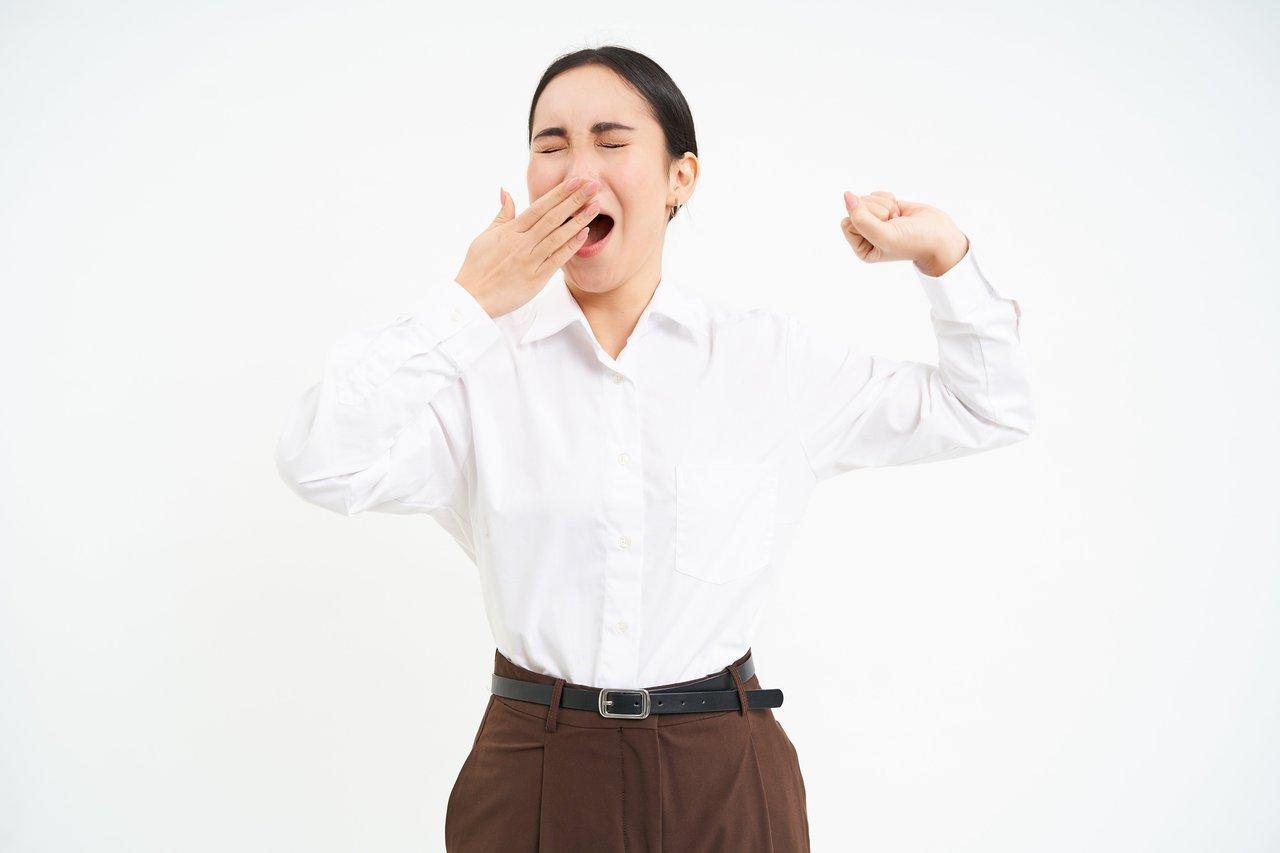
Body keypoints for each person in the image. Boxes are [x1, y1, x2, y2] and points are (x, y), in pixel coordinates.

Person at [274, 44, 1034, 853]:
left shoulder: (766, 362)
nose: (576, 170)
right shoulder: (475, 370)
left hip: (724, 775)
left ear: (681, 178)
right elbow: (320, 460)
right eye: (550, 144)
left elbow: (985, 407)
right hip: (534, 767)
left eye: (610, 141)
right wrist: (469, 303)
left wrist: (944, 257)